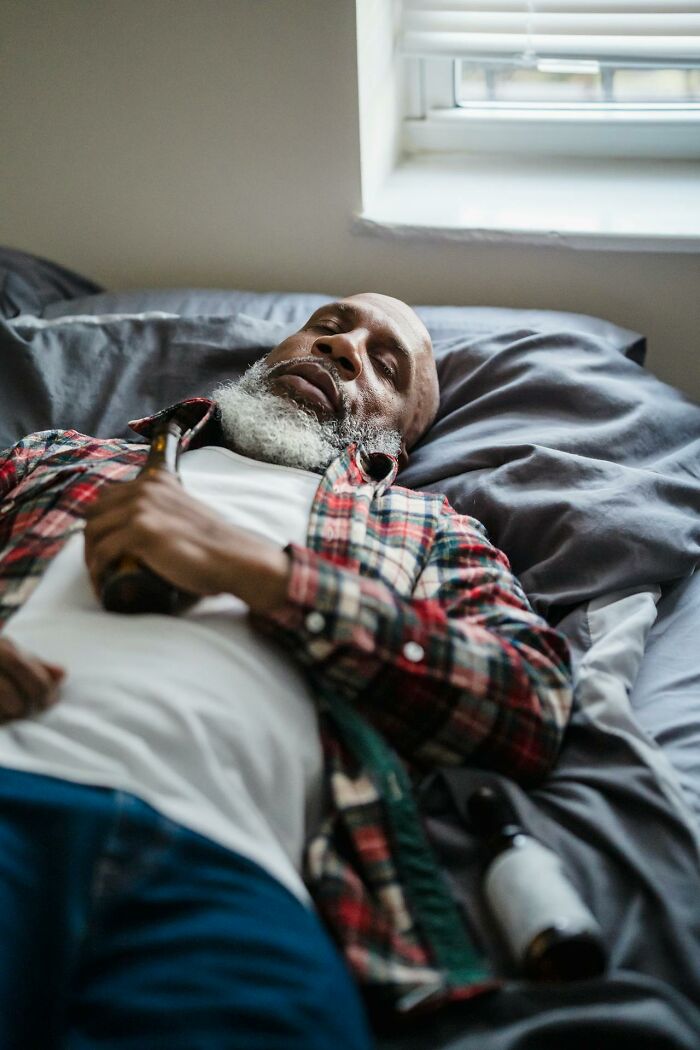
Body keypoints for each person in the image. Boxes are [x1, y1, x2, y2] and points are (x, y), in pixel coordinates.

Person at [0, 292, 573, 1048]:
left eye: (386, 363)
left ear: (398, 438)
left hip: (233, 883)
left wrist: (267, 574)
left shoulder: (429, 530)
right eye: (330, 328)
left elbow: (527, 700)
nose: (343, 350)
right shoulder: (61, 457)